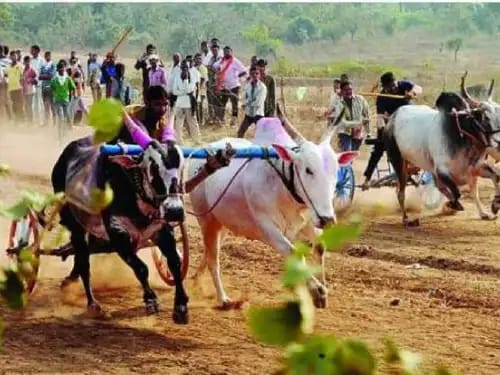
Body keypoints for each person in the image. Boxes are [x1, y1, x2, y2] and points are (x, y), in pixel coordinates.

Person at [361, 72, 422, 190]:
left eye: (394, 85)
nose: (393, 88)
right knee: (378, 150)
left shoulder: (403, 85)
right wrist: (382, 129)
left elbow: (418, 88)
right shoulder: (382, 98)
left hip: (410, 122)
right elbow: (380, 117)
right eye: (390, 88)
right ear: (384, 88)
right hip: (391, 124)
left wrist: (412, 92)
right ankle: (367, 178)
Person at [329, 80, 370, 152]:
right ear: (341, 91)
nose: (348, 92)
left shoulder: (360, 99)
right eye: (346, 90)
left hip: (358, 132)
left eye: (350, 89)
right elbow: (343, 123)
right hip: (344, 132)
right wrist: (360, 122)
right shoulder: (338, 104)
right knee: (347, 153)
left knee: (353, 154)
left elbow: (366, 115)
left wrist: (368, 133)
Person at [213, 46, 247, 126]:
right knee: (222, 103)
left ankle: (234, 121)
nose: (226, 53)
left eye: (228, 51)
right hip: (224, 86)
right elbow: (214, 66)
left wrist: (237, 77)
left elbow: (244, 71)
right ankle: (221, 120)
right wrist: (218, 72)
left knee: (234, 104)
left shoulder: (235, 61)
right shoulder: (221, 61)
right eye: (225, 51)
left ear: (231, 52)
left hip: (234, 86)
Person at [172, 60, 200, 145]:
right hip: (180, 103)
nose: (184, 69)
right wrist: (183, 92)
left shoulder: (193, 76)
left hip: (189, 103)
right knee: (178, 123)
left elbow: (189, 89)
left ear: (189, 68)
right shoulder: (177, 76)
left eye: (186, 67)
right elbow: (174, 91)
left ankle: (197, 140)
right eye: (183, 67)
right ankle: (179, 141)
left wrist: (186, 80)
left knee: (192, 122)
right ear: (180, 68)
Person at [237, 66, 267, 138]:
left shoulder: (262, 87)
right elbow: (245, 97)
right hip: (249, 113)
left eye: (257, 73)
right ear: (250, 75)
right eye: (253, 74)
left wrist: (246, 104)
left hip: (258, 113)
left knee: (262, 134)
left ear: (259, 75)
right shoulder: (248, 86)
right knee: (240, 132)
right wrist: (244, 103)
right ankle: (240, 147)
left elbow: (258, 102)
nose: (255, 75)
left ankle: (264, 147)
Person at [51, 62, 76, 130]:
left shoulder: (67, 78)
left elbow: (73, 87)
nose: (62, 71)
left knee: (66, 114)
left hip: (66, 99)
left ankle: (68, 127)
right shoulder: (54, 79)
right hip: (57, 100)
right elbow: (52, 88)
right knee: (60, 115)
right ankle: (60, 131)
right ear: (58, 70)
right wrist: (54, 96)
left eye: (63, 69)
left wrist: (74, 95)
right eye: (60, 69)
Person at [4, 51, 24, 121]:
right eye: (13, 56)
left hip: (19, 88)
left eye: (15, 56)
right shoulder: (8, 67)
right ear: (10, 57)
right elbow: (5, 75)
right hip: (11, 88)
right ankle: (17, 119)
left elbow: (23, 76)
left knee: (20, 104)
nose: (14, 57)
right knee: (14, 105)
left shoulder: (20, 66)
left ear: (17, 57)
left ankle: (22, 119)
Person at [206, 43, 222, 124]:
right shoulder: (211, 59)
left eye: (216, 50)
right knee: (211, 101)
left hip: (218, 83)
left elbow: (220, 70)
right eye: (213, 50)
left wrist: (212, 68)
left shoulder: (221, 59)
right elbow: (208, 70)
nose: (214, 51)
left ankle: (219, 118)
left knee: (218, 101)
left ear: (218, 50)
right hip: (211, 83)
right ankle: (213, 117)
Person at [21, 55, 38, 124]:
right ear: (24, 62)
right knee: (26, 106)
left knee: (29, 106)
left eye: (28, 61)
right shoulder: (23, 69)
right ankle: (28, 120)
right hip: (24, 90)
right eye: (26, 61)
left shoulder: (32, 70)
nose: (27, 63)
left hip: (30, 90)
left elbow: (36, 80)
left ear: (30, 62)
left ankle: (31, 121)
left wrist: (30, 80)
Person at [30, 45, 44, 124]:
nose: (31, 52)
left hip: (39, 85)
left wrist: (37, 80)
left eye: (32, 50)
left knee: (39, 103)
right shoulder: (30, 60)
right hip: (31, 85)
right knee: (32, 104)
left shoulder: (41, 61)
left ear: (37, 51)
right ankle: (33, 121)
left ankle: (39, 121)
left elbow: (42, 72)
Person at [194, 53, 208, 126]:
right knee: (195, 106)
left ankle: (201, 121)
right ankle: (197, 121)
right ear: (194, 59)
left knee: (200, 106)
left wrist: (198, 89)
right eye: (197, 58)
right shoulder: (193, 67)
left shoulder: (203, 68)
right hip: (194, 90)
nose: (198, 60)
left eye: (200, 59)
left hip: (201, 90)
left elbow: (202, 79)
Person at [0, 45, 12, 121]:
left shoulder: (8, 61)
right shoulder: (9, 61)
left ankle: (9, 118)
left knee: (7, 100)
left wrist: (4, 77)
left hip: (6, 83)